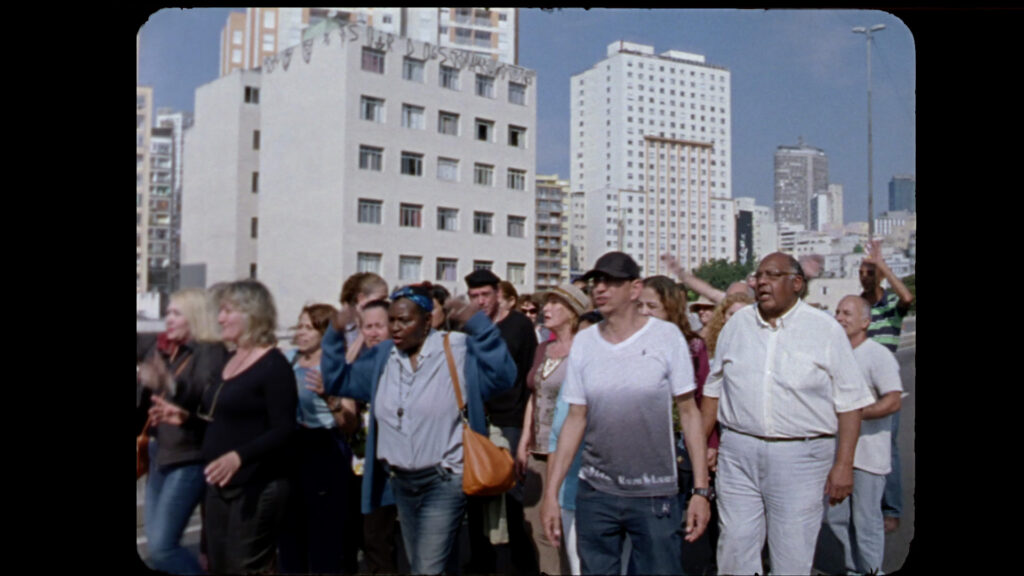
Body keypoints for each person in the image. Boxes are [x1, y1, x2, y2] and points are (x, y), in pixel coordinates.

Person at [320, 284, 517, 574]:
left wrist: (478, 325)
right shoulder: (384, 355)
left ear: (426, 322)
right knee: (427, 565)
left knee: (426, 569)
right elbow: (338, 381)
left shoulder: (456, 347)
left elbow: (504, 376)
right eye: (392, 320)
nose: (396, 328)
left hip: (445, 480)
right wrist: (334, 333)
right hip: (401, 482)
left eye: (405, 320)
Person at [700, 253, 874, 575]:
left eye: (772, 275)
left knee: (791, 555)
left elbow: (850, 403)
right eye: (759, 275)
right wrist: (703, 448)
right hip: (738, 454)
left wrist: (844, 465)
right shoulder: (736, 325)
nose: (761, 281)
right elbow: (713, 390)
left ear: (796, 283)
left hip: (802, 458)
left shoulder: (824, 330)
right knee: (735, 548)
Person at [541, 251, 711, 575]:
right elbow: (575, 419)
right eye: (596, 282)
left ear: (635, 289)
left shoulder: (666, 337)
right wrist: (552, 493)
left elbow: (689, 413)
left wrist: (700, 490)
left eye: (610, 281)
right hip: (596, 494)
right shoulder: (586, 342)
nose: (600, 288)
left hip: (655, 493)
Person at [150, 280, 298, 574]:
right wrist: (186, 418)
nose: (219, 319)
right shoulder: (230, 359)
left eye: (228, 311)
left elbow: (284, 430)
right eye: (219, 311)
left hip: (257, 485)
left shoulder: (273, 365)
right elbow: (221, 421)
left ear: (252, 313)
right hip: (220, 484)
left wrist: (238, 456)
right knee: (218, 566)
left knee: (243, 567)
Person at [139, 288, 228, 574]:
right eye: (167, 313)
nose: (168, 319)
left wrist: (168, 383)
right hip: (160, 452)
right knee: (156, 544)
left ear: (194, 317)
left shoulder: (210, 351)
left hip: (188, 457)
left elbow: (203, 396)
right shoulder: (167, 348)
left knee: (163, 549)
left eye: (176, 313)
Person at [816, 295, 903, 575]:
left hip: (868, 457)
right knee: (838, 519)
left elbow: (893, 400)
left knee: (866, 523)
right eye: (838, 312)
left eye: (847, 314)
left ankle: (871, 570)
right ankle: (853, 569)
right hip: (837, 456)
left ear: (866, 322)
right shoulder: (832, 354)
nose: (840, 318)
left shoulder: (877, 355)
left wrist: (855, 415)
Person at [638, 275, 720, 575]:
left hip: (678, 448)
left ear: (671, 310)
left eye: (652, 306)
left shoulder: (693, 346)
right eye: (640, 305)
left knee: (669, 529)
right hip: (636, 449)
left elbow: (701, 401)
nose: (644, 312)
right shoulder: (624, 344)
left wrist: (710, 446)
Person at [464, 269, 539, 574]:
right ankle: (481, 563)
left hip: (511, 420)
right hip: (477, 421)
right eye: (474, 296)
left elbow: (528, 379)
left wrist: (526, 432)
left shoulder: (519, 325)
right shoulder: (469, 327)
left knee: (511, 499)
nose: (480, 301)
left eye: (485, 295)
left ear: (498, 293)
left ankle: (518, 565)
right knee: (476, 492)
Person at [278, 303, 360, 574]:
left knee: (323, 533)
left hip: (325, 447)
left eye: (308, 328)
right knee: (290, 531)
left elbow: (349, 423)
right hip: (291, 447)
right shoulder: (287, 359)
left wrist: (329, 397)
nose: (301, 333)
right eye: (299, 326)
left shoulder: (336, 365)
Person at [514, 284, 591, 575]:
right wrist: (524, 441)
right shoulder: (543, 348)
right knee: (536, 523)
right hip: (539, 447)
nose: (546, 309)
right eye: (545, 303)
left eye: (554, 303)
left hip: (569, 451)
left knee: (566, 524)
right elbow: (534, 395)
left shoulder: (584, 350)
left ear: (572, 311)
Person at [858, 239, 913, 534]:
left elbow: (906, 298)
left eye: (869, 272)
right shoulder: (858, 306)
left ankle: (890, 507)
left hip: (884, 385)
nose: (864, 277)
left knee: (886, 448)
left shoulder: (890, 304)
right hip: (859, 385)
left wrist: (882, 265)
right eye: (861, 272)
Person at [346, 297, 401, 574]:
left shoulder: (398, 361)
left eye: (379, 325)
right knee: (365, 540)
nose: (373, 333)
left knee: (379, 540)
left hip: (388, 467)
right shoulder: (359, 363)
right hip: (358, 463)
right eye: (367, 327)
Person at [704, 292, 756, 362]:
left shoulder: (757, 343)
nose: (737, 318)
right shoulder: (714, 342)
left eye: (742, 313)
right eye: (732, 314)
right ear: (723, 317)